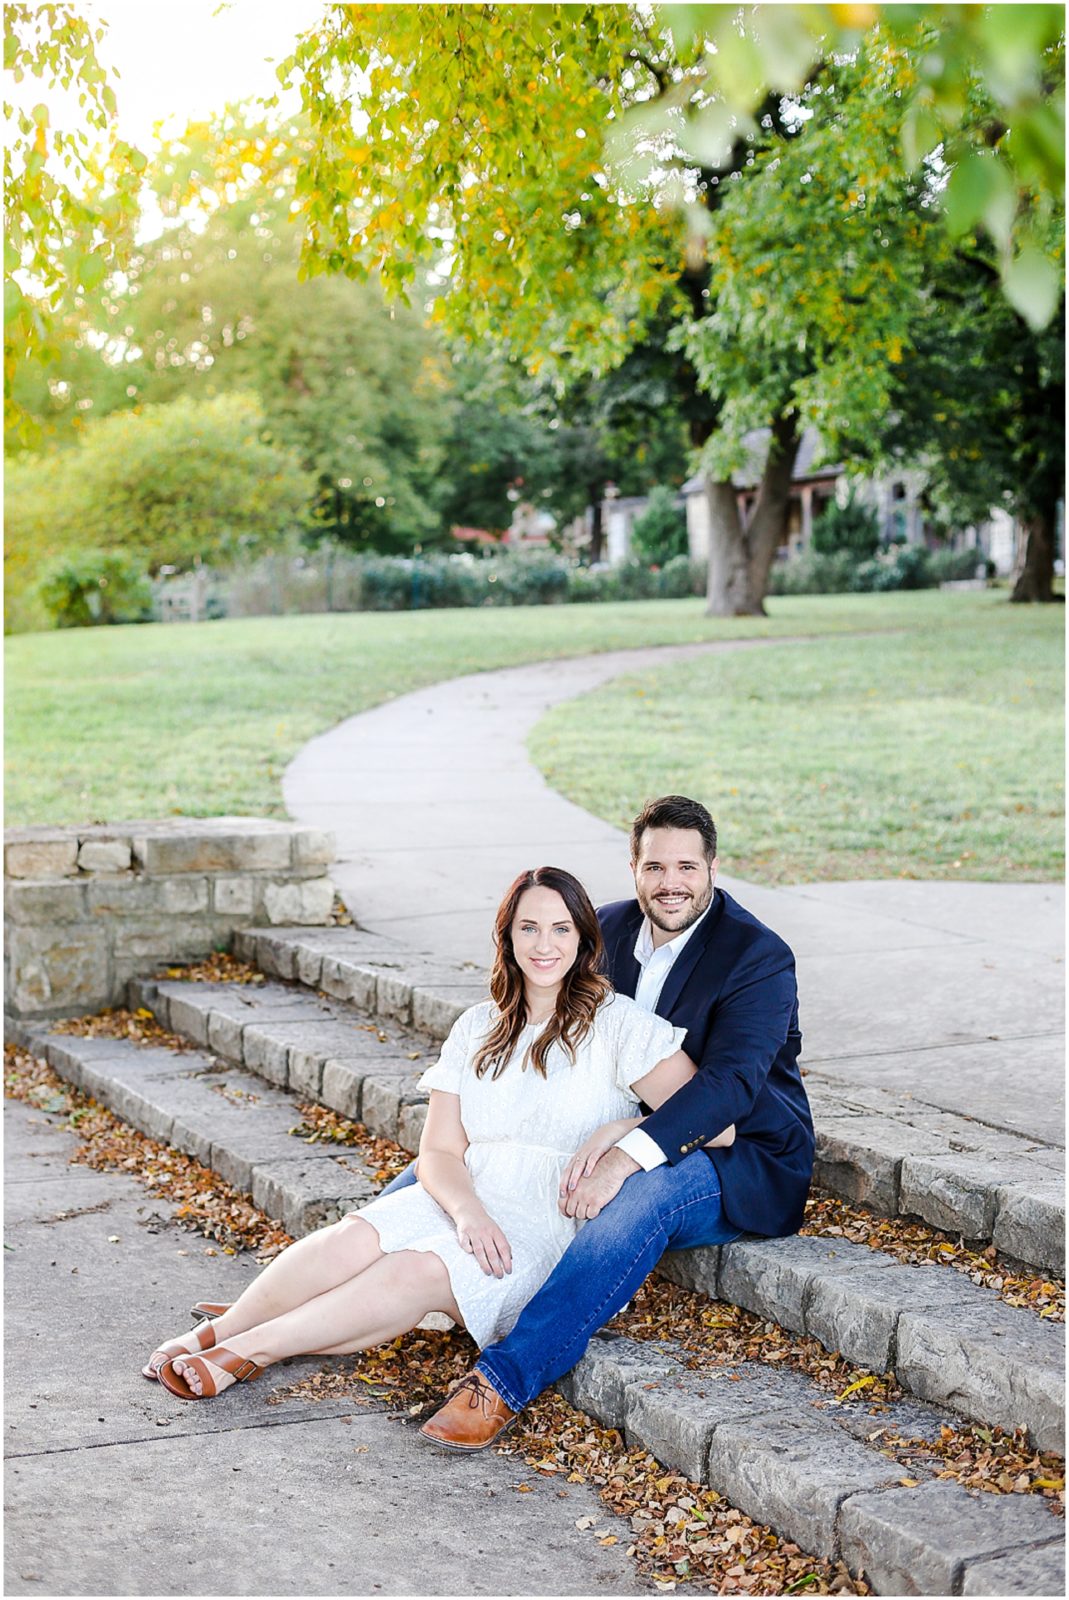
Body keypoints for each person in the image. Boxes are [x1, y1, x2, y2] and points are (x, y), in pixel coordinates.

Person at [143, 865, 735, 1401]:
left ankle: (244, 1354)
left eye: (560, 929)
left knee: (419, 1269)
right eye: (529, 928)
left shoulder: (618, 1024)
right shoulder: (478, 1027)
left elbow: (720, 1127)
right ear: (507, 938)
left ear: (583, 938)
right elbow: (439, 1152)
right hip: (468, 1197)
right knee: (354, 1237)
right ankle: (219, 1330)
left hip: (546, 1220)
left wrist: (621, 1127)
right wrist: (467, 1212)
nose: (544, 945)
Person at [417, 794, 814, 1451]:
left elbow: (730, 1086)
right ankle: (323, 1287)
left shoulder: (756, 956)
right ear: (632, 866)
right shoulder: (600, 929)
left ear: (712, 867)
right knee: (454, 1154)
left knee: (635, 1194)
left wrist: (625, 1149)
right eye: (655, 866)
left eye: (686, 867)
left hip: (738, 1149)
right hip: (627, 1119)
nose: (670, 882)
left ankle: (504, 1379)